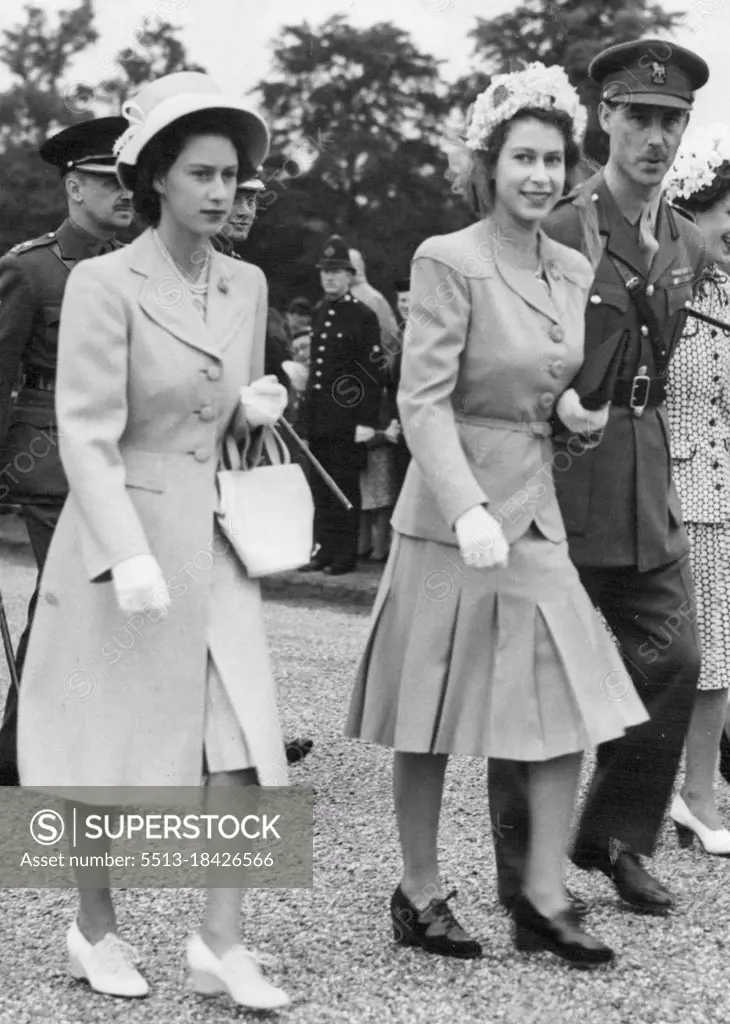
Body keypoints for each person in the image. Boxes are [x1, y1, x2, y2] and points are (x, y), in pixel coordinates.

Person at [346, 63, 649, 966]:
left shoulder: (569, 263)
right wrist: (468, 505)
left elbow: (548, 388)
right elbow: (425, 399)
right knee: (430, 710)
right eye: (523, 157)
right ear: (489, 164)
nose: (542, 176)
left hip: (534, 508)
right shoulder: (449, 258)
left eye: (555, 159)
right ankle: (420, 889)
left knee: (565, 702)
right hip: (451, 515)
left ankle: (546, 891)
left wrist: (574, 418)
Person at [16, 71, 290, 1010]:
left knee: (243, 741)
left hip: (212, 538)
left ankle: (220, 941)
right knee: (100, 743)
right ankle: (93, 926)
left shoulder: (246, 282)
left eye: (233, 176)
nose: (221, 193)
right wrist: (126, 552)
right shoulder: (102, 281)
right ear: (158, 181)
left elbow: (225, 420)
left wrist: (257, 413)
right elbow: (85, 429)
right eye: (202, 174)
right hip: (120, 544)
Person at [489, 39, 709, 917]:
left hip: (644, 474)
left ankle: (614, 837)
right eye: (640, 118)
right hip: (560, 476)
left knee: (675, 656)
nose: (655, 138)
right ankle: (523, 877)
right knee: (538, 676)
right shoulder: (562, 222)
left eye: (672, 122)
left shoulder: (685, 236)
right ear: (605, 120)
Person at [0, 116, 132, 787]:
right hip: (49, 460)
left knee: (106, 606)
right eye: (108, 183)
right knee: (65, 601)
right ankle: (20, 754)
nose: (123, 195)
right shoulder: (30, 270)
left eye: (128, 183)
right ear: (74, 187)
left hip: (123, 456)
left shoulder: (141, 268)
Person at [213, 177, 313, 767]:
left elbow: (258, 368)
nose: (246, 209)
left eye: (253, 199)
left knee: (235, 610)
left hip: (237, 453)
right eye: (238, 196)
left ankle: (250, 738)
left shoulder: (249, 276)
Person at [663, 127, 730, 854]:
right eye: (724, 218)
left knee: (719, 657)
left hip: (724, 498)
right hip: (667, 496)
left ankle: (699, 795)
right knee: (667, 657)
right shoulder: (665, 291)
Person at [298, 236, 383, 575]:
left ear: (350, 275)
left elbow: (370, 373)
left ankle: (344, 555)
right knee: (319, 486)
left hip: (347, 418)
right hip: (320, 417)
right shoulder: (320, 312)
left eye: (336, 272)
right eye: (325, 272)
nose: (330, 278)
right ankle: (324, 549)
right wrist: (306, 421)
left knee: (343, 485)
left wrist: (365, 420)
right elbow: (314, 374)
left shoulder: (363, 315)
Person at [348, 248, 400, 562]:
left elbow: (390, 345)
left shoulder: (372, 299)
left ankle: (375, 545)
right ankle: (361, 542)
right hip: (355, 393)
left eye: (352, 266)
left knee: (376, 483)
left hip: (371, 393)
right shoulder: (345, 298)